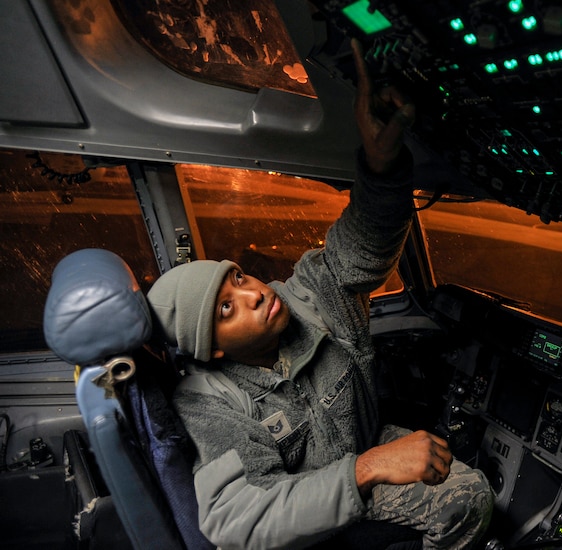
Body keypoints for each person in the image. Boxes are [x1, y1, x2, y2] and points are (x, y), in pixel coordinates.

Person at [146, 39, 493, 550]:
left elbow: (362, 244)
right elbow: (238, 518)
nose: (254, 294)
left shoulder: (310, 297)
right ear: (213, 349)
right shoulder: (206, 403)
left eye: (239, 278)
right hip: (312, 499)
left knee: (469, 495)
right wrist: (367, 469)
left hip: (362, 453)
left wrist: (381, 162)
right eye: (226, 307)